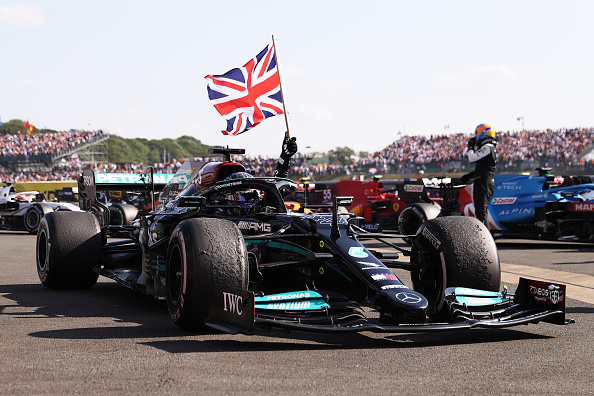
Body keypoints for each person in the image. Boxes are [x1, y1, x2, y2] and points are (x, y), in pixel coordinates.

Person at [465, 124, 496, 226]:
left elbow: (472, 158)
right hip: (482, 181)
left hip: (484, 183)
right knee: (479, 212)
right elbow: (484, 167)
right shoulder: (488, 148)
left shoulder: (488, 147)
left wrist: (470, 147)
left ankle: (485, 238)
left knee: (482, 213)